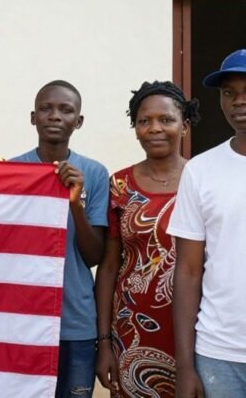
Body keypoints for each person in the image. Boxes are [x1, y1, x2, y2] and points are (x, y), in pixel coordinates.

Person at [95, 81, 200, 398]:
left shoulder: (204, 179)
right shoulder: (119, 184)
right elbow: (109, 267)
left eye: (166, 119)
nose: (154, 128)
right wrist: (104, 343)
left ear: (185, 125)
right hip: (132, 332)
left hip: (200, 332)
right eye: (144, 121)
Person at [11, 80, 108, 398]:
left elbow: (93, 256)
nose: (54, 116)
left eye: (65, 110)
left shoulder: (93, 173)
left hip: (75, 324)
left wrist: (75, 204)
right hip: (22, 321)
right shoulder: (12, 170)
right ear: (33, 117)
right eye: (46, 108)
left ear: (78, 121)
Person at [170, 49, 246, 398]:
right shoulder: (200, 171)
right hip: (218, 353)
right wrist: (185, 366)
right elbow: (188, 271)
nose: (239, 101)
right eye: (229, 92)